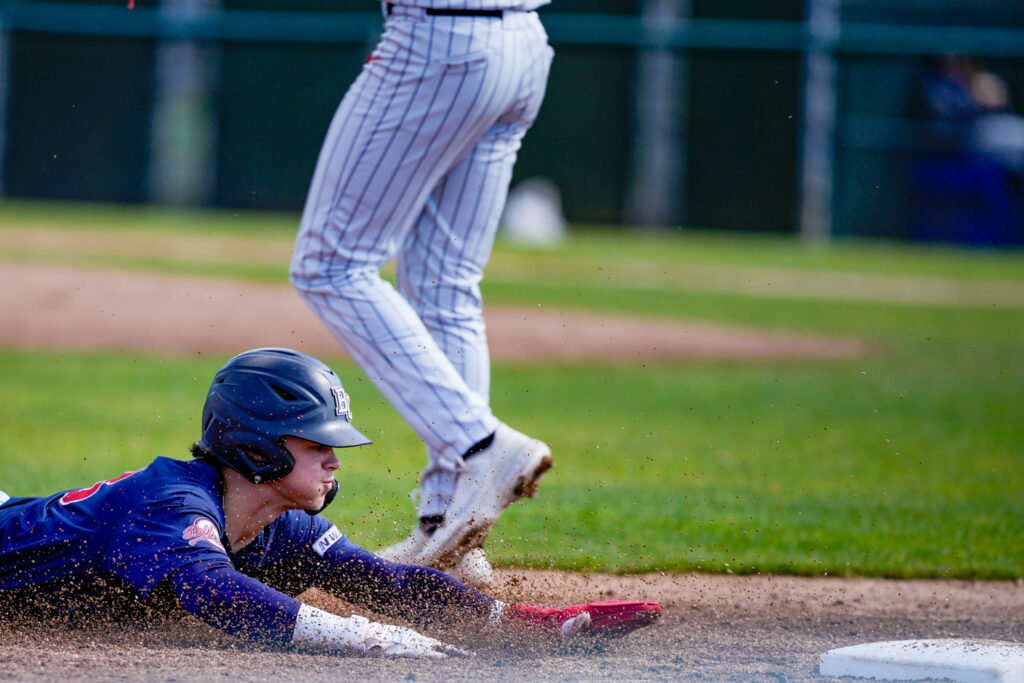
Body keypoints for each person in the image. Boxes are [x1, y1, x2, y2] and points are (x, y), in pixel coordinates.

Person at [0, 348, 661, 658]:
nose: (335, 458)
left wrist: (519, 622)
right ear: (257, 444)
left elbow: (382, 580)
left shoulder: (275, 524)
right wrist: (375, 640)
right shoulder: (174, 502)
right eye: (317, 442)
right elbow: (213, 592)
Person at [290, 1, 557, 585]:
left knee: (330, 265)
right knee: (444, 286)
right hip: (525, 44)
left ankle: (480, 444)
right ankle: (448, 525)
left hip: (441, 36)